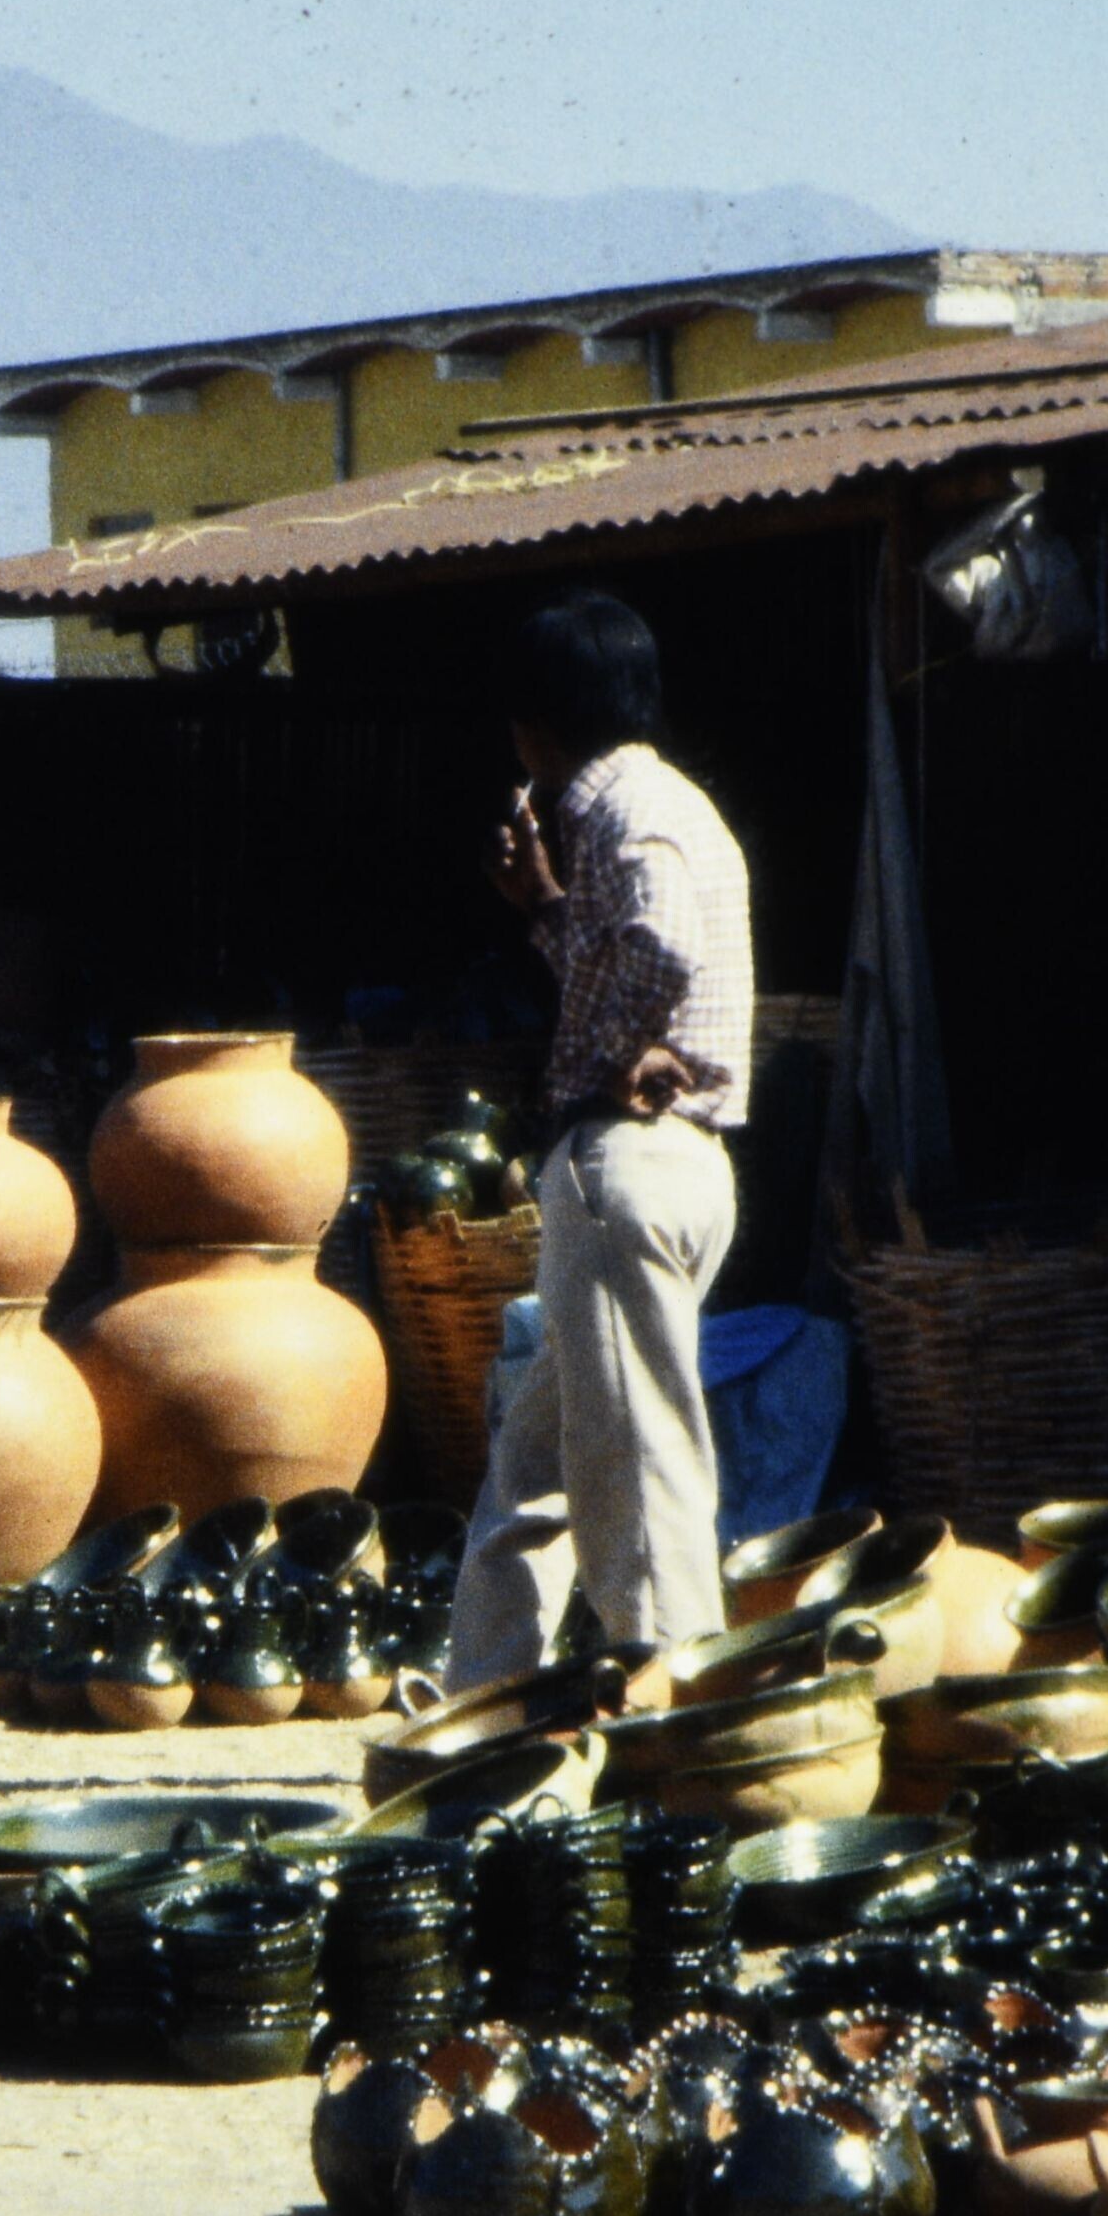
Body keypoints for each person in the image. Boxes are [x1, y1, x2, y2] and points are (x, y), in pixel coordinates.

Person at [441, 586, 755, 1700]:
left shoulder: (619, 811)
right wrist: (545, 907)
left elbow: (657, 945)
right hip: (679, 1167)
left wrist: (620, 1047)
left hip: (629, 1165)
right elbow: (625, 948)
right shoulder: (674, 801)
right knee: (538, 1458)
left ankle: (676, 1710)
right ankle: (485, 1696)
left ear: (532, 726)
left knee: (635, 1465)